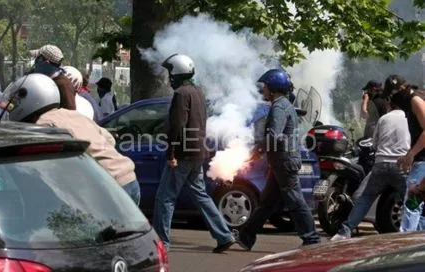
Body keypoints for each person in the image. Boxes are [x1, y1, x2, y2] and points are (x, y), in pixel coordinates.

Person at [0, 73, 140, 205]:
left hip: (108, 187)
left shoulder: (43, 126)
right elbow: (110, 140)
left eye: (16, 103)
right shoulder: (72, 114)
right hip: (129, 180)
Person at [152, 53, 235, 253]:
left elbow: (177, 126)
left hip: (182, 154)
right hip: (197, 152)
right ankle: (224, 235)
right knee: (201, 196)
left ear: (177, 72)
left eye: (170, 71)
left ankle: (161, 243)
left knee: (165, 198)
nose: (169, 76)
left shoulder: (181, 93)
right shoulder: (197, 92)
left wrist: (171, 154)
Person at [237, 68, 320, 250]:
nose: (263, 90)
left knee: (295, 200)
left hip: (284, 161)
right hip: (281, 161)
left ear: (273, 88)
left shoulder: (279, 107)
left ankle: (312, 239)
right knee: (266, 203)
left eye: (265, 87)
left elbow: (274, 135)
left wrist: (259, 149)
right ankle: (246, 236)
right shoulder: (283, 104)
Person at [331, 97, 409, 240]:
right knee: (410, 200)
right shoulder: (409, 118)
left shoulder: (384, 119)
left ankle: (344, 231)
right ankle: (407, 236)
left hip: (380, 165)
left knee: (365, 198)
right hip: (401, 166)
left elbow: (375, 143)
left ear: (390, 105)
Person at [384, 75, 425, 232]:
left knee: (412, 203)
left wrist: (411, 155)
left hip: (422, 160)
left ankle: (403, 245)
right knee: (420, 209)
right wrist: (408, 154)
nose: (392, 100)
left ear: (401, 90)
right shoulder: (415, 99)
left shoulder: (415, 100)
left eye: (392, 95)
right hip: (421, 158)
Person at [29, 44, 76, 110]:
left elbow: (70, 113)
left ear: (45, 62)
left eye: (37, 58)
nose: (35, 62)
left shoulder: (64, 85)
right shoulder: (39, 81)